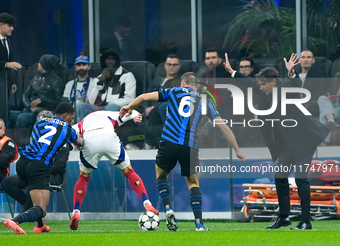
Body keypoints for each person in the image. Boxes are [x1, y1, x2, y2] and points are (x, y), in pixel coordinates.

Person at [120, 72, 246, 231]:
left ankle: (167, 208)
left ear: (183, 84)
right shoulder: (204, 100)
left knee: (161, 176)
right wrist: (237, 150)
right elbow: (224, 127)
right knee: (193, 183)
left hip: (168, 142)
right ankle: (199, 224)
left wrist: (129, 106)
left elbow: (144, 97)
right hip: (189, 145)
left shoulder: (174, 91)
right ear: (197, 85)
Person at [224, 52, 330, 230]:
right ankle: (284, 217)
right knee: (280, 176)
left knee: (300, 178)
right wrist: (233, 72)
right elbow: (250, 83)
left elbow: (296, 86)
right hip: (288, 144)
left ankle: (305, 221)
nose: (261, 87)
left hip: (304, 141)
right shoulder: (265, 90)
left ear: (274, 82)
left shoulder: (287, 88)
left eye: (264, 84)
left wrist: (291, 73)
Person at [69, 110, 159, 231]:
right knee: (129, 172)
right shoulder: (111, 115)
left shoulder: (81, 123)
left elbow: (67, 131)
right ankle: (148, 204)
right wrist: (136, 116)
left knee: (83, 178)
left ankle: (76, 212)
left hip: (90, 139)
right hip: (108, 137)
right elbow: (129, 112)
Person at [3, 103, 83, 235]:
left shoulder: (40, 122)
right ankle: (15, 220)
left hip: (22, 163)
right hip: (38, 166)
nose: (72, 121)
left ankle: (39, 225)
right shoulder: (68, 129)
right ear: (65, 115)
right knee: (41, 208)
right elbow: (79, 143)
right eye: (72, 118)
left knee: (33, 188)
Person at [10, 54, 64, 145]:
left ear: (45, 65)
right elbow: (25, 94)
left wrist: (42, 101)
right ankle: (11, 143)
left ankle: (23, 145)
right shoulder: (36, 78)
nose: (38, 64)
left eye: (40, 62)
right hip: (30, 109)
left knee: (22, 118)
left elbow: (57, 102)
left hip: (45, 111)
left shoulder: (56, 81)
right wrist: (29, 106)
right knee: (10, 114)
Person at [145, 54, 181, 148]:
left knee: (157, 110)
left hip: (168, 107)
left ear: (179, 66)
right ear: (165, 65)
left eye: (174, 65)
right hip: (153, 107)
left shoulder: (181, 81)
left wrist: (153, 107)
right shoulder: (157, 80)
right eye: (169, 64)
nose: (171, 67)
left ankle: (151, 143)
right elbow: (148, 94)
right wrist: (146, 107)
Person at [62, 55, 99, 122]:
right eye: (79, 65)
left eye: (84, 64)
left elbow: (95, 103)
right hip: (71, 113)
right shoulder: (69, 84)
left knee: (80, 106)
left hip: (88, 113)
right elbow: (64, 101)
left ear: (89, 67)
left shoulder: (95, 82)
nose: (81, 67)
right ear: (76, 67)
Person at [0, 13, 22, 124]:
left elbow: (10, 63)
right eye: (10, 25)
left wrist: (12, 82)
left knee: (4, 109)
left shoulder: (8, 42)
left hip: (5, 82)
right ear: (1, 25)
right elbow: (7, 63)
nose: (12, 29)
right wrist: (6, 64)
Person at [294, 50, 329, 117]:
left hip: (309, 103)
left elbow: (319, 93)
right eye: (303, 57)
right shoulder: (295, 74)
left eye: (309, 57)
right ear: (299, 60)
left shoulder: (319, 74)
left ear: (313, 60)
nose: (306, 60)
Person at [0, 118, 18, 183]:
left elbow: (2, 161)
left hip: (2, 175)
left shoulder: (8, 142)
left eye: (0, 128)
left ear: (4, 129)